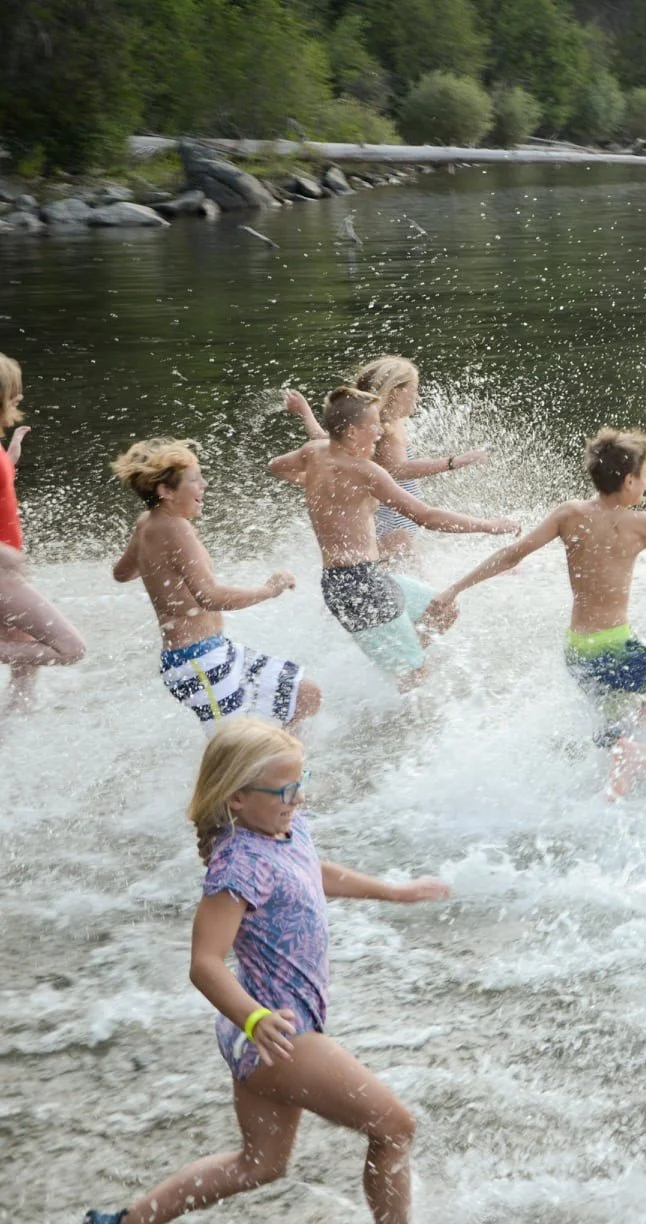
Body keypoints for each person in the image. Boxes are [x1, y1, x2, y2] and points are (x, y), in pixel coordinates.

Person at [83, 718, 450, 1224]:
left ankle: (124, 1222)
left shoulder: (286, 825)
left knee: (260, 1164)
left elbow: (311, 872)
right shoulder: (236, 867)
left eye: (301, 783)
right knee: (395, 1127)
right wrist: (255, 1019)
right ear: (236, 798)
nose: (297, 798)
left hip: (258, 1031)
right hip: (275, 1031)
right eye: (284, 790)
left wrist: (392, 891)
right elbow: (205, 964)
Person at [424, 428, 646, 743]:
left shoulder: (569, 513)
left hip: (578, 653)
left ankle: (612, 755)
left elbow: (513, 554)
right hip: (614, 650)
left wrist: (454, 589)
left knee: (612, 720)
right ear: (629, 480)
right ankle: (624, 730)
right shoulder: (642, 525)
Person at [267, 386, 517, 690]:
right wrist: (489, 525)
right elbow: (426, 516)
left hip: (358, 579)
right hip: (357, 585)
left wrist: (313, 484)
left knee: (443, 609)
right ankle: (402, 682)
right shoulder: (366, 472)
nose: (380, 430)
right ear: (351, 432)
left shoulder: (314, 452)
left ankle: (399, 663)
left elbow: (276, 466)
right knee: (416, 677)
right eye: (373, 425)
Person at [111, 438, 322, 732]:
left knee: (304, 695)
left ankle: (287, 770)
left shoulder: (146, 523)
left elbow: (122, 573)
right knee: (233, 748)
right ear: (166, 491)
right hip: (196, 660)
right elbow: (209, 597)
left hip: (217, 650)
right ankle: (260, 776)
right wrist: (268, 590)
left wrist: (157, 566)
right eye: (195, 481)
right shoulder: (176, 529)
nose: (204, 485)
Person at [284, 356, 490, 571]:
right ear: (395, 392)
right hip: (393, 519)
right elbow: (397, 470)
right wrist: (453, 462)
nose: (417, 397)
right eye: (414, 390)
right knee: (406, 586)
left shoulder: (365, 424)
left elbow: (325, 442)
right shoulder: (384, 430)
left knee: (377, 580)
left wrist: (305, 413)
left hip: (386, 516)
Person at [0, 353, 87, 715]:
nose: (20, 396)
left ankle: (18, 720)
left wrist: (10, 458)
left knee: (25, 647)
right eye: (14, 389)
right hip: (1, 573)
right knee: (70, 648)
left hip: (8, 568)